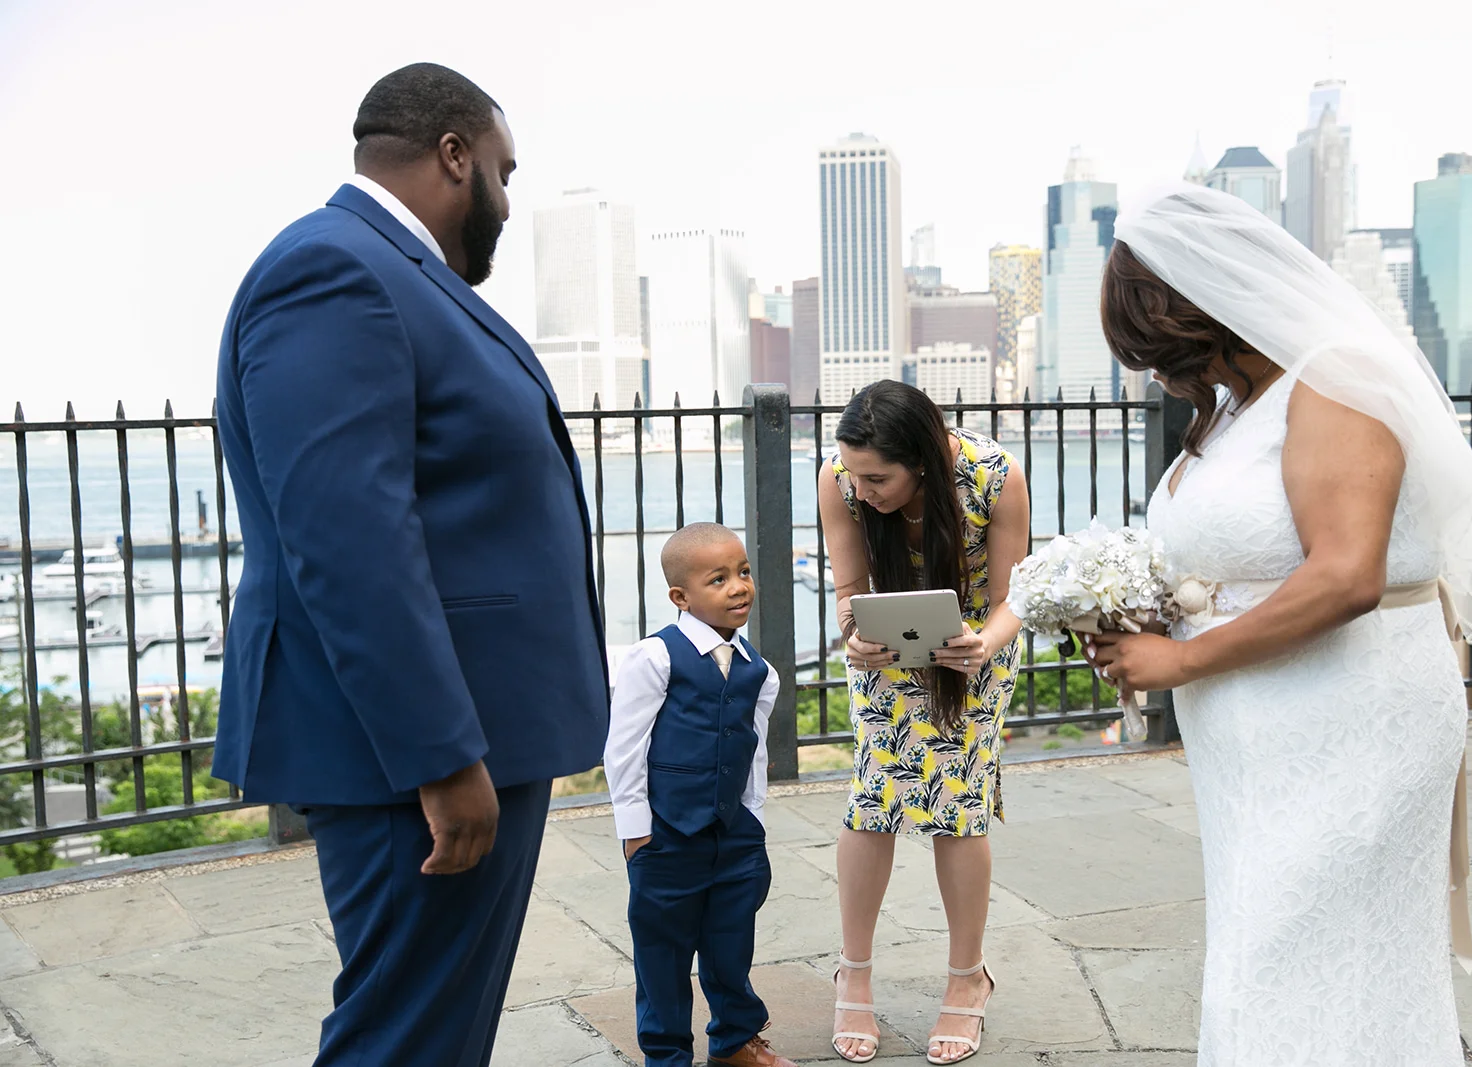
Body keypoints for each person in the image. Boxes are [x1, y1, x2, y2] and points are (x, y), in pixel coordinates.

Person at [1087, 184, 1472, 1064]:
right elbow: (1245, 558)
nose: (1153, 369)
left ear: (1193, 306)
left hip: (1350, 716)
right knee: (1271, 949)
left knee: (1300, 955)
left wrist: (1181, 660)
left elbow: (1346, 575)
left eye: (1153, 346)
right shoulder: (1237, 404)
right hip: (1259, 730)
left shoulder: (1337, 381)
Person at [213, 63, 609, 1065]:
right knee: (407, 1040)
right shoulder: (335, 270)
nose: (508, 201)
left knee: (435, 1032)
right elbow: (348, 536)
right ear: (453, 154)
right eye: (504, 172)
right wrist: (441, 755)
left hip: (463, 739)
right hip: (415, 758)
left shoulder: (389, 269)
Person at [816, 380, 1032, 1065]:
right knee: (871, 801)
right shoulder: (839, 480)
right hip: (883, 653)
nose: (865, 488)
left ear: (923, 460)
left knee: (958, 807)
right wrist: (852, 635)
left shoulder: (994, 476)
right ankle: (854, 969)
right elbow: (849, 592)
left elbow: (1012, 597)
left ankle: (968, 978)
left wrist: (984, 643)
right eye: (856, 474)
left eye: (878, 476)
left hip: (973, 654)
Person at [603, 523, 796, 1067]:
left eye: (743, 572)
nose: (739, 587)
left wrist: (752, 818)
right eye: (719, 579)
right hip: (666, 836)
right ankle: (666, 1055)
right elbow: (624, 748)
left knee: (731, 944)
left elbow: (753, 750)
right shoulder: (656, 657)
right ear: (681, 598)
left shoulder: (760, 670)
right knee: (662, 957)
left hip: (734, 837)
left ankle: (735, 1041)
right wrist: (636, 831)